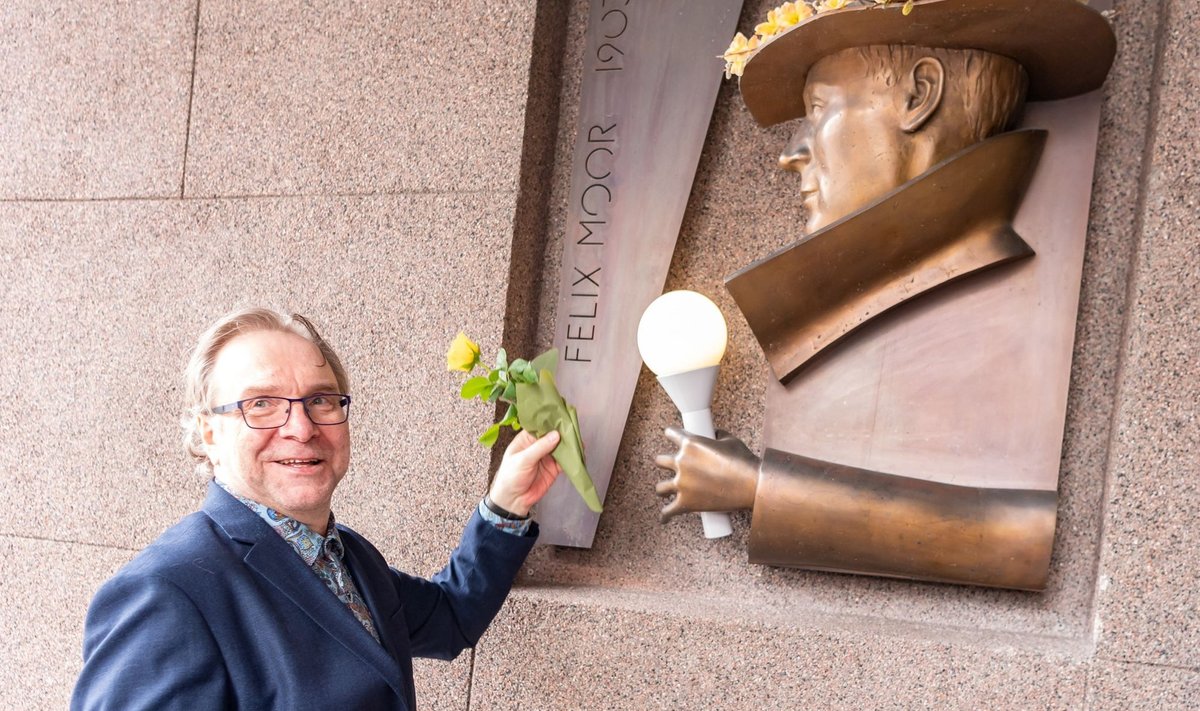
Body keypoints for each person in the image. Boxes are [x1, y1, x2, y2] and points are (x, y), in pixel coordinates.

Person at [654, 0, 1116, 590]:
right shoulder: (867, 290)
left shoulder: (1001, 312)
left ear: (919, 96)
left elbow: (1014, 536)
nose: (790, 152)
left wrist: (757, 488)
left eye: (818, 107)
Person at [72, 307, 562, 710]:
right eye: (260, 404)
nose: (301, 428)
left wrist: (507, 504)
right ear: (209, 433)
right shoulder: (167, 592)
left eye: (321, 400)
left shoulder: (349, 556)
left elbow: (450, 617)